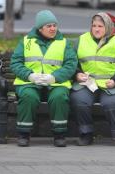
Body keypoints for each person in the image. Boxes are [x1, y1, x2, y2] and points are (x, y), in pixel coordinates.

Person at [10, 10, 77, 147]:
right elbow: (15, 63)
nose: (53, 29)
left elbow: (71, 64)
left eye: (54, 25)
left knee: (59, 97)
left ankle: (59, 134)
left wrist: (54, 77)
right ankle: (24, 133)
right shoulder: (26, 42)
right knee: (29, 96)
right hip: (30, 82)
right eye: (49, 26)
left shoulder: (63, 43)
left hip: (56, 83)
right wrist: (30, 75)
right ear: (40, 28)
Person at [70, 12, 115, 147]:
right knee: (79, 100)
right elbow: (71, 62)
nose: (96, 29)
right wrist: (76, 74)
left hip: (113, 84)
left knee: (112, 103)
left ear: (109, 27)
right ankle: (86, 134)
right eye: (94, 25)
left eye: (100, 26)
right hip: (87, 84)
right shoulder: (81, 40)